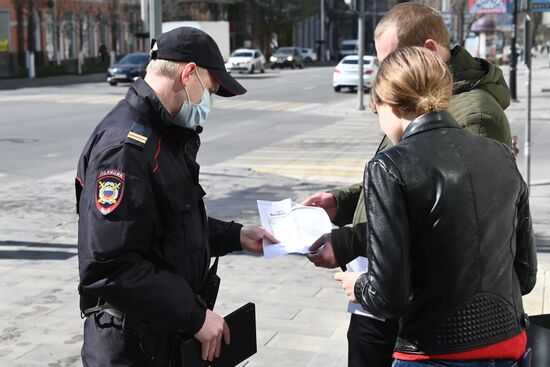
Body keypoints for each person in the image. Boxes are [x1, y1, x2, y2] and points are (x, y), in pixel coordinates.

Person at [304, 3, 515, 367]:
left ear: (429, 51)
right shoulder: (420, 104)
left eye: (392, 60)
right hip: (394, 293)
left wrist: (351, 250)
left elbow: (454, 221)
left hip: (427, 318)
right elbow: (411, 183)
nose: (387, 73)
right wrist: (341, 201)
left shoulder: (472, 113)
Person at [75, 27, 277, 367]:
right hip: (130, 347)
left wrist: (236, 236)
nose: (208, 103)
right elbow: (110, 267)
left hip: (159, 338)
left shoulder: (162, 136)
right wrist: (195, 316)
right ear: (188, 74)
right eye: (210, 91)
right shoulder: (124, 148)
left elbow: (169, 225)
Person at [334, 46, 537, 367]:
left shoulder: (388, 166)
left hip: (433, 353)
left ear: (392, 104)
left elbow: (389, 297)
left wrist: (358, 286)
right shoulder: (500, 155)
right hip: (509, 345)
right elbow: (525, 277)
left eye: (377, 110)